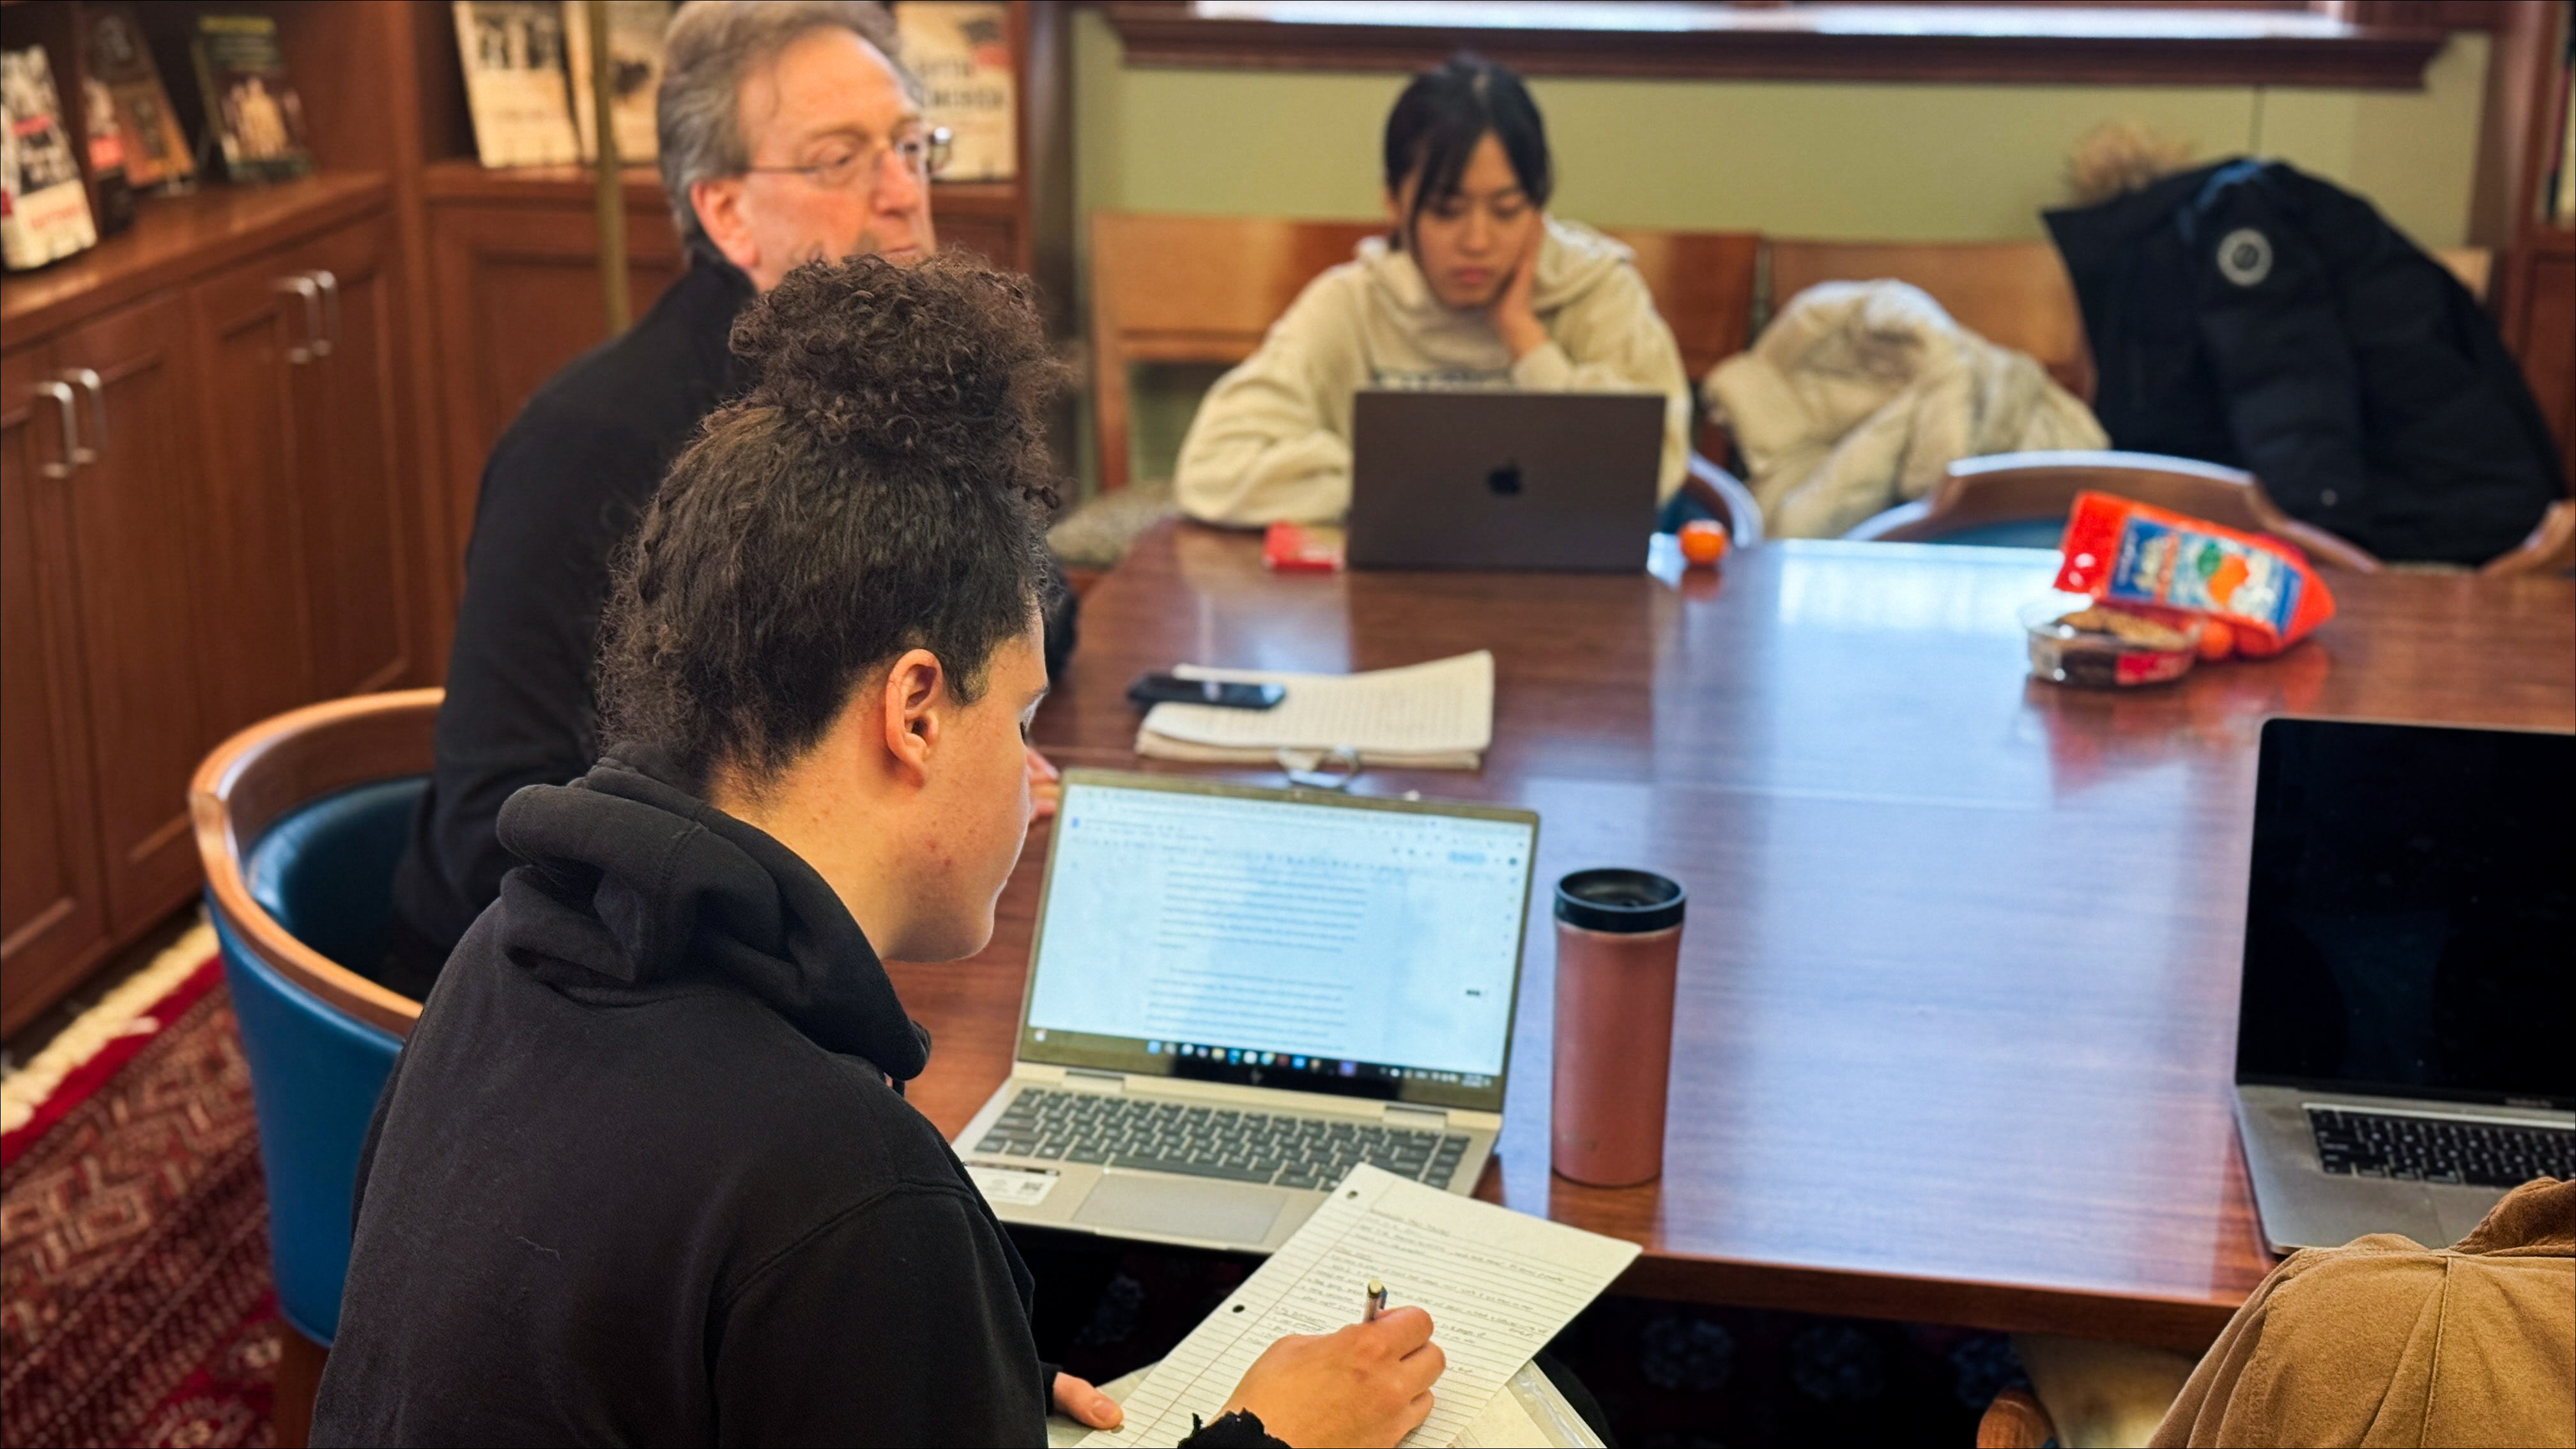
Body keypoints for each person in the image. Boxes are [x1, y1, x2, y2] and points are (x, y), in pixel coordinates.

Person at [312, 256, 1449, 1448]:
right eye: (1017, 719)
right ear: (913, 711)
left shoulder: (498, 960)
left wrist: (928, 1375)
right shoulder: (844, 1185)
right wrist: (1270, 1436)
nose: (1026, 770)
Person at [387, 0, 1069, 997]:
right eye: (840, 159)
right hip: (583, 990)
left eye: (912, 146)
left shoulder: (905, 383)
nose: (900, 193)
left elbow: (1038, 607)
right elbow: (492, 825)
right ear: (725, 212)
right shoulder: (588, 444)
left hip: (830, 922)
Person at [1174, 54, 1694, 529]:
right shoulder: (1352, 305)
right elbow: (1212, 470)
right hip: (1387, 609)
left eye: (1508, 211)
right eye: (1446, 211)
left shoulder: (1598, 293)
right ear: (1394, 205)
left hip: (1571, 606)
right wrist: (1393, 484)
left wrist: (1529, 344)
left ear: (1539, 204)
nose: (1477, 242)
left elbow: (1655, 471)